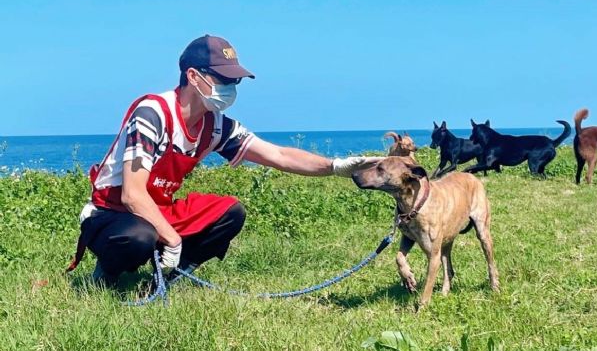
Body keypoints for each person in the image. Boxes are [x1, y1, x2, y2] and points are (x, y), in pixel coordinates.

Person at [67, 34, 380, 285]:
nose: (229, 88)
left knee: (230, 211)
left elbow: (278, 155)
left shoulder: (216, 125)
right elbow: (132, 195)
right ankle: (105, 277)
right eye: (222, 79)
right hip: (112, 213)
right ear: (193, 75)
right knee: (140, 236)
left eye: (234, 81)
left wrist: (334, 166)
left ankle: (171, 275)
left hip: (158, 209)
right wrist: (172, 239)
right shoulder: (153, 114)